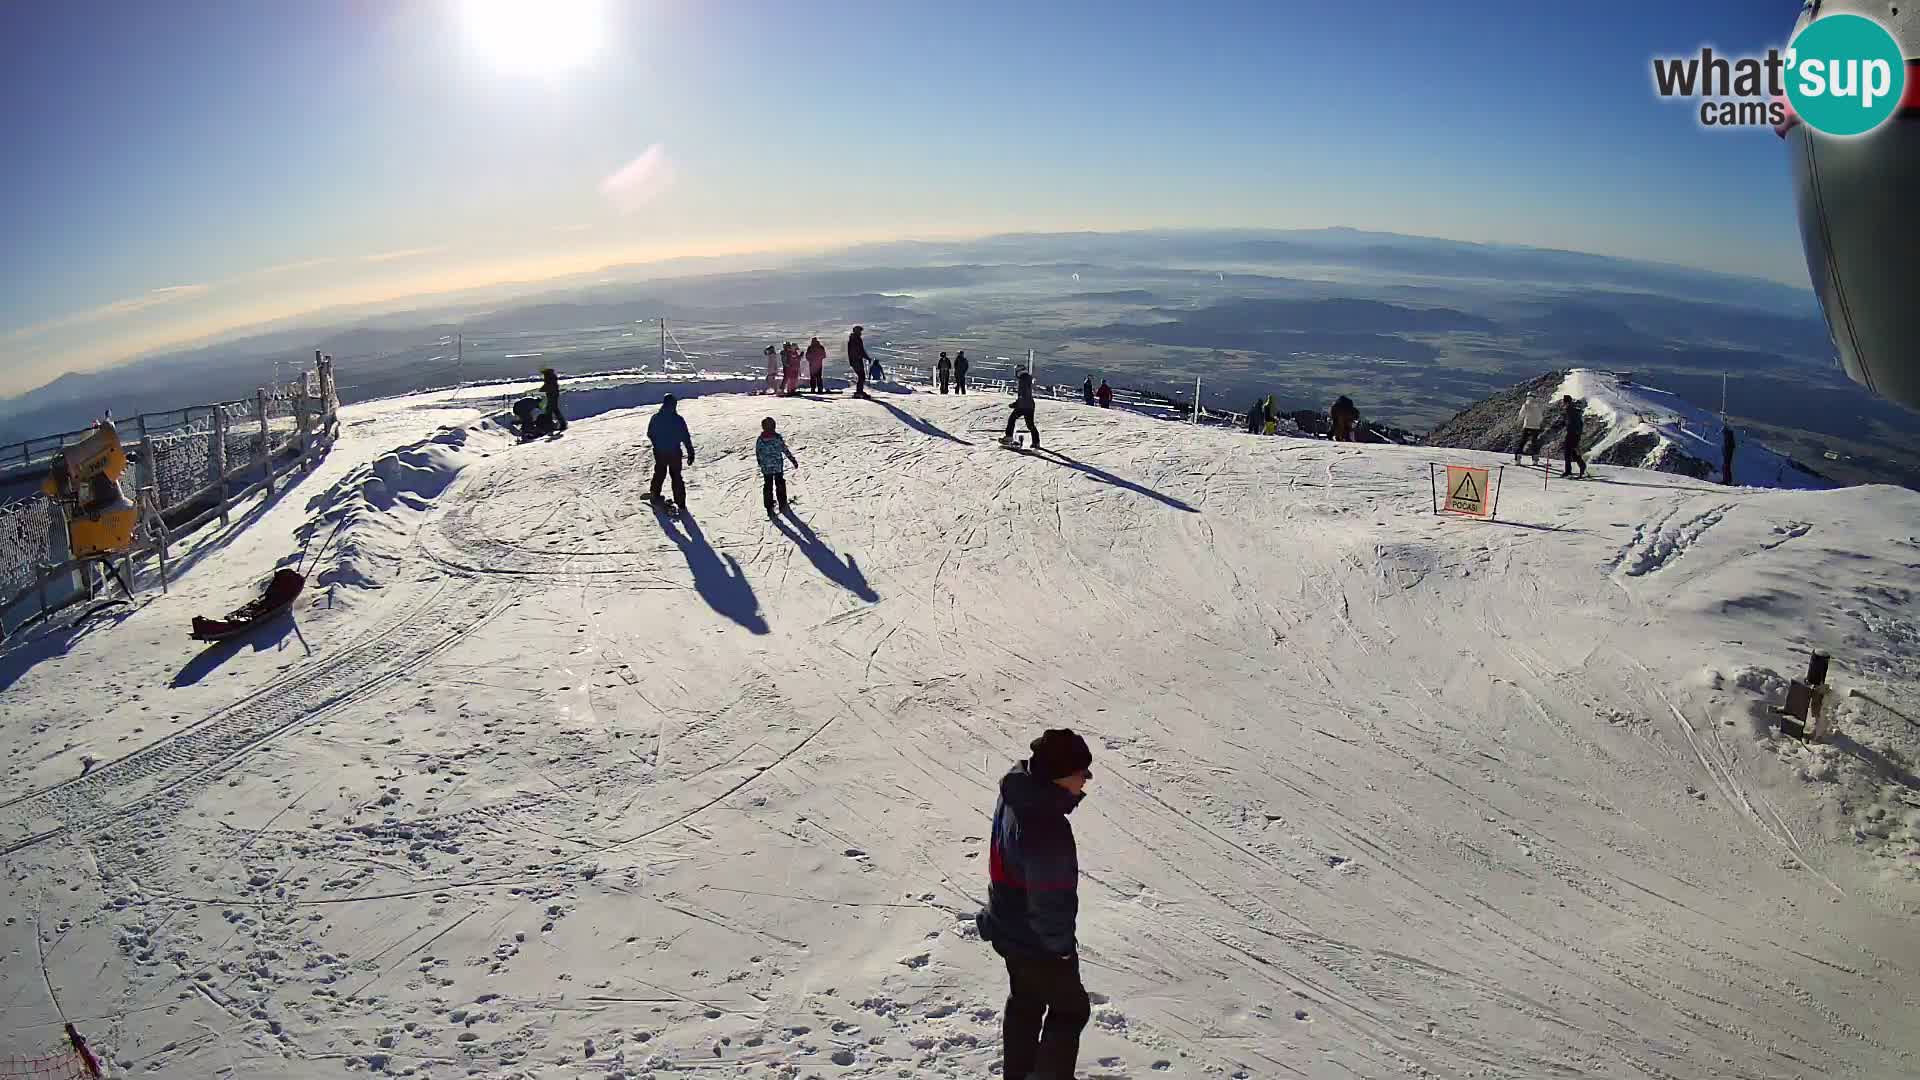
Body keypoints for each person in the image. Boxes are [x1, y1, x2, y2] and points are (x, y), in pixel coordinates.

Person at [976, 729, 1094, 1080]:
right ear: (1059, 775)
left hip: (1009, 926)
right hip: (1036, 940)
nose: (1086, 779)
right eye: (1081, 772)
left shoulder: (1016, 795)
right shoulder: (1045, 825)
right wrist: (1060, 950)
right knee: (1070, 1011)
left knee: (1026, 1003)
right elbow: (1050, 897)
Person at [647, 394, 695, 509]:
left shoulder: (656, 417)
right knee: (676, 476)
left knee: (659, 473)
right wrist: (690, 452)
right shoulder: (678, 419)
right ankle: (680, 502)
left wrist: (657, 445)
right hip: (674, 452)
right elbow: (685, 437)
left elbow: (650, 434)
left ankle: (654, 495)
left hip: (661, 452)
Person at [756, 417, 799, 515]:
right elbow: (784, 449)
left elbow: (758, 452)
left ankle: (768, 505)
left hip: (766, 468)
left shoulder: (760, 439)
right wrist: (793, 460)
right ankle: (782, 503)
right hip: (777, 466)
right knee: (780, 483)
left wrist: (760, 463)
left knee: (768, 485)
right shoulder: (777, 437)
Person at [1004, 368, 1040, 448]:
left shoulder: (1022, 380)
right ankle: (1036, 442)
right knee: (1030, 424)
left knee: (1012, 419)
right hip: (1029, 405)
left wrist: (1016, 404)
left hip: (1023, 405)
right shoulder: (1027, 379)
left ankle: (1009, 437)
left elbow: (1023, 395)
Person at [1515, 392, 1546, 466]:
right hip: (1536, 427)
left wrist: (1518, 423)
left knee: (1522, 442)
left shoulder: (1525, 405)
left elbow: (1521, 415)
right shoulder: (1538, 406)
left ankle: (1518, 460)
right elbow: (1541, 417)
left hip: (1527, 426)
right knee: (1534, 443)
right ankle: (1535, 460)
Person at [1561, 395, 1588, 478]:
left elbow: (1568, 422)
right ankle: (1581, 466)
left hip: (1572, 433)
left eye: (1564, 401)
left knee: (1568, 452)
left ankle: (1568, 471)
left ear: (1566, 402)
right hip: (1576, 433)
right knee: (1572, 452)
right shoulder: (1574, 409)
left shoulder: (1569, 410)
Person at [847, 326, 871, 398]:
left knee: (861, 376)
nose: (861, 333)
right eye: (860, 331)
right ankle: (859, 392)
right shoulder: (856, 339)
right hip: (856, 360)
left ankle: (859, 391)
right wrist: (866, 358)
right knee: (861, 376)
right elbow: (860, 350)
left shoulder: (853, 339)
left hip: (855, 360)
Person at [541, 368, 567, 432]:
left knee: (551, 410)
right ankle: (558, 424)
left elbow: (548, 386)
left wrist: (542, 389)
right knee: (553, 410)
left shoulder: (549, 378)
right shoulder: (551, 377)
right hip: (553, 395)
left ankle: (551, 425)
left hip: (552, 395)